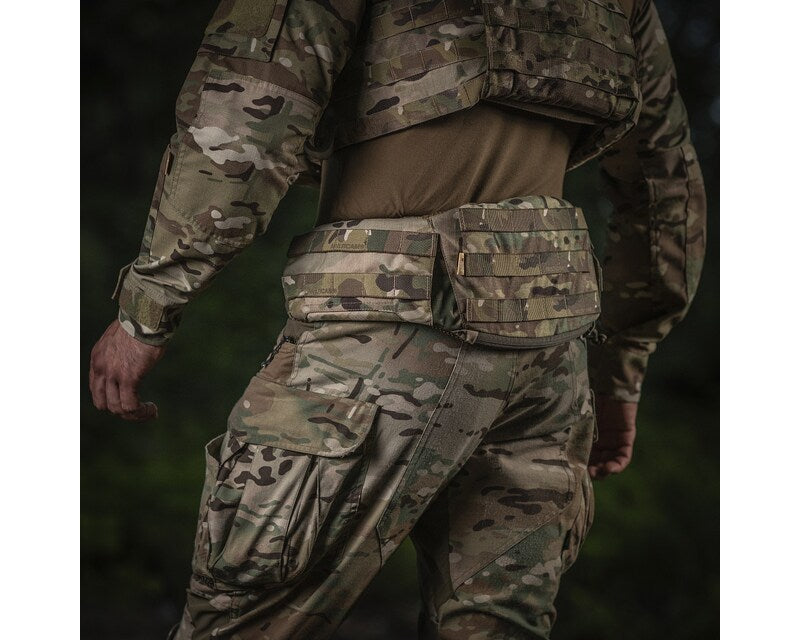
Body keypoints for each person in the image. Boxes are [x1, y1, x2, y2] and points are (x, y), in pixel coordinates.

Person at [89, 0, 706, 638]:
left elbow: (248, 103)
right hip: (550, 354)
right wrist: (620, 369)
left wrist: (149, 304)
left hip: (385, 330)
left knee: (244, 621)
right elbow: (663, 180)